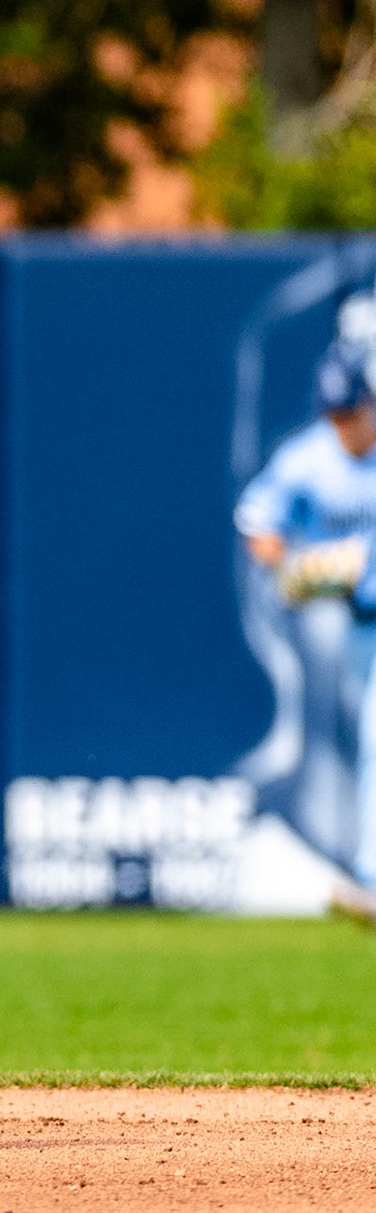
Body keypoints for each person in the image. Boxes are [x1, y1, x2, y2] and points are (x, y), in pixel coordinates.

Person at [236, 339, 376, 899]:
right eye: (335, 415)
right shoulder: (308, 459)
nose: (344, 425)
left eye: (353, 413)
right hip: (363, 621)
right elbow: (258, 525)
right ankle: (369, 875)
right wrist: (297, 564)